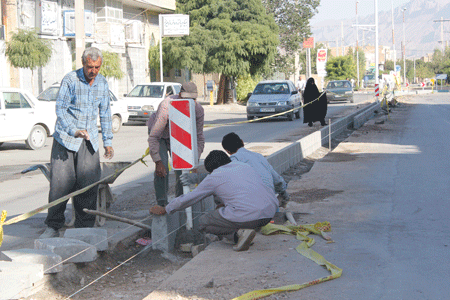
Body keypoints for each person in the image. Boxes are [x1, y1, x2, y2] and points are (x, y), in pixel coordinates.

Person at [40, 47, 114, 239]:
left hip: (89, 142)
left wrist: (108, 142)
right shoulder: (70, 80)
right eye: (90, 67)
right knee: (60, 185)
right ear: (83, 64)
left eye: (97, 67)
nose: (93, 71)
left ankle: (84, 227)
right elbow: (61, 109)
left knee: (88, 186)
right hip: (65, 140)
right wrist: (74, 130)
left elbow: (105, 113)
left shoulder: (102, 83)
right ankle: (53, 226)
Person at [150, 150, 278, 251]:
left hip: (248, 216)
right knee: (232, 207)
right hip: (269, 213)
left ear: (212, 168)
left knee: (204, 222)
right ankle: (247, 231)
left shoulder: (215, 176)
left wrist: (166, 208)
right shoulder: (244, 166)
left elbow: (190, 198)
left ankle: (239, 235)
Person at [180, 132, 290, 207]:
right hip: (271, 205)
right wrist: (284, 195)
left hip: (250, 208)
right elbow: (277, 179)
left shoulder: (233, 161)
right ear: (242, 141)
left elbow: (217, 178)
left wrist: (194, 178)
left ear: (227, 151)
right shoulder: (258, 156)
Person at [147, 82, 205, 207]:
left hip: (180, 135)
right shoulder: (167, 106)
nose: (189, 102)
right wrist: (157, 161)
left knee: (183, 169)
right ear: (179, 95)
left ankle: (180, 202)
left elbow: (199, 137)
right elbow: (154, 137)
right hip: (161, 136)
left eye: (192, 99)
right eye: (186, 99)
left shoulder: (198, 110)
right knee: (163, 169)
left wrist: (195, 160)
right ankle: (162, 204)